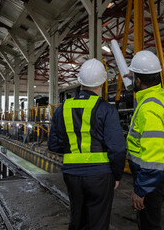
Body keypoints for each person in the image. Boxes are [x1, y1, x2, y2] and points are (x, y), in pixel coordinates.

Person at [48, 58, 126, 230]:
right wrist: (117, 175)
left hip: (71, 175)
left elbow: (53, 145)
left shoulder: (62, 109)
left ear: (80, 82)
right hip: (100, 176)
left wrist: (72, 150)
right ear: (102, 83)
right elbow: (118, 149)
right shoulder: (106, 109)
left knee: (77, 219)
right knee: (97, 223)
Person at [126, 50, 164, 230]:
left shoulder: (148, 108)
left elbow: (153, 158)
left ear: (138, 81)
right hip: (161, 172)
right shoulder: (161, 95)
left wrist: (140, 190)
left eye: (134, 78)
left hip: (152, 178)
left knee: (149, 223)